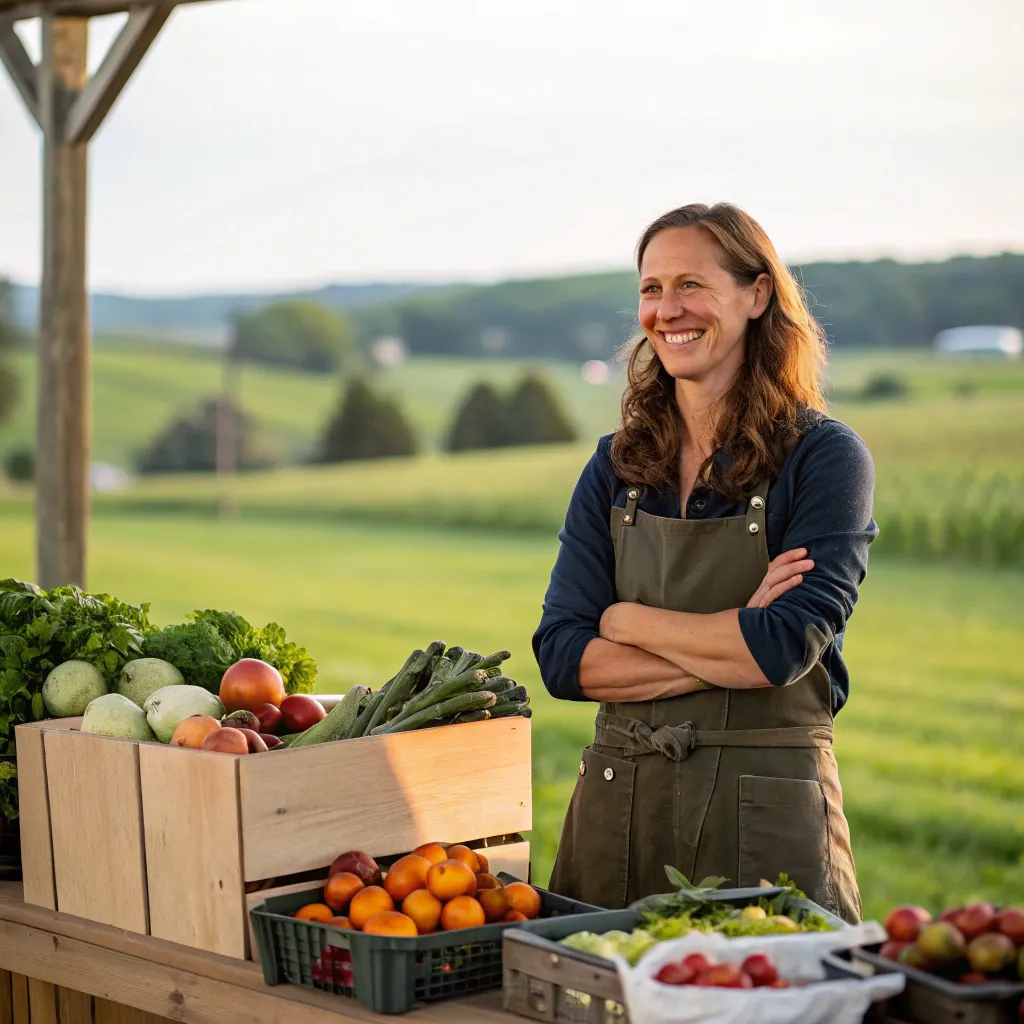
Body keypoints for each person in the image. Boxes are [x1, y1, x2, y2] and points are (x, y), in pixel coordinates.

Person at [533, 203, 876, 923]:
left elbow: (780, 651)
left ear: (756, 296)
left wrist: (625, 620)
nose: (667, 309)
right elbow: (564, 658)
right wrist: (732, 633)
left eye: (690, 284)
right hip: (617, 808)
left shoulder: (823, 459)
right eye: (651, 289)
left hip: (767, 815)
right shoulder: (616, 464)